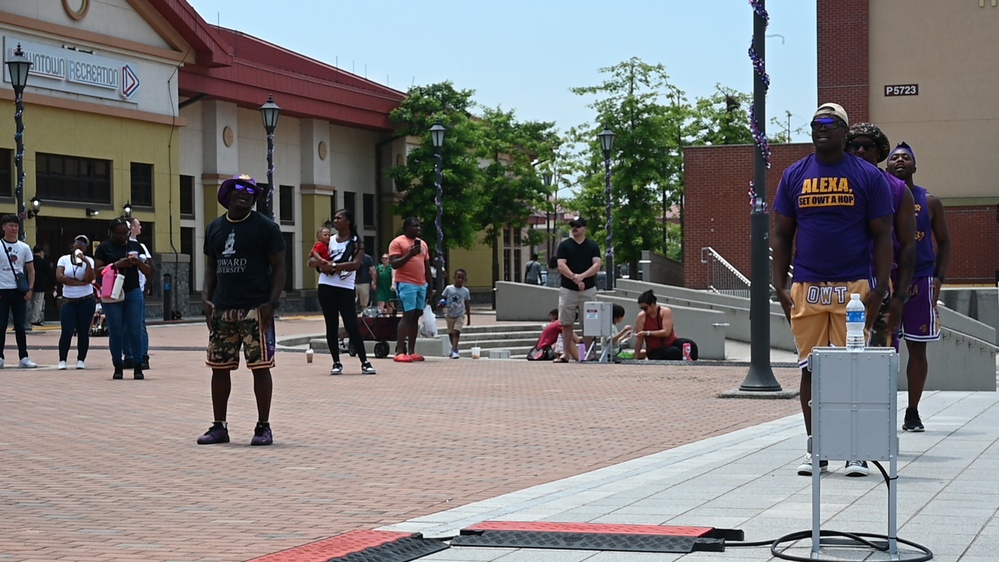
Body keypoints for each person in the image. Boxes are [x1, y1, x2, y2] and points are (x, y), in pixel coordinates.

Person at [772, 103, 894, 478]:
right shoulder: (794, 174)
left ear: (843, 130)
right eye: (815, 124)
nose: (820, 128)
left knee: (852, 369)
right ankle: (817, 448)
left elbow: (883, 234)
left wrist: (880, 286)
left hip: (854, 285)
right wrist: (779, 283)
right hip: (807, 285)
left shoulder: (866, 176)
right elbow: (781, 232)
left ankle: (855, 450)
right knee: (812, 368)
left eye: (828, 123)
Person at [197, 174, 286, 446]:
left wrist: (272, 301)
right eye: (239, 189)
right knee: (219, 368)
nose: (245, 193)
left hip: (255, 308)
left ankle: (263, 427)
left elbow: (280, 266)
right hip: (223, 308)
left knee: (260, 367)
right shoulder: (214, 228)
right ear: (227, 194)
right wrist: (205, 297)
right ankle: (219, 426)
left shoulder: (265, 227)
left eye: (250, 190)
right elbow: (212, 267)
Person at [889, 142, 952, 433]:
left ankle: (912, 411)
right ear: (886, 166)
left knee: (917, 349)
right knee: (882, 349)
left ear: (914, 166)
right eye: (895, 158)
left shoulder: (930, 201)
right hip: (888, 279)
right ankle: (882, 409)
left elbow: (945, 242)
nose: (900, 161)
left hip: (920, 280)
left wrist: (939, 277)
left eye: (906, 158)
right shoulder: (880, 196)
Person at [844, 123, 917, 351]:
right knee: (835, 358)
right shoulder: (836, 184)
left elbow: (908, 247)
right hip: (839, 280)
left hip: (879, 282)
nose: (861, 151)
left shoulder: (897, 189)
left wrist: (899, 297)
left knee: (879, 360)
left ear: (880, 151)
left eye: (868, 146)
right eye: (854, 146)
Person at [307, 208, 376, 376]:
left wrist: (335, 266)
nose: (335, 221)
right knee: (331, 325)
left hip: (345, 287)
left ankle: (364, 361)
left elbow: (356, 264)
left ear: (348, 222)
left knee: (351, 324)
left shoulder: (356, 242)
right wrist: (322, 264)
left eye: (339, 218)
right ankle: (336, 362)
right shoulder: (327, 241)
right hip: (326, 286)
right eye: (335, 218)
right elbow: (310, 261)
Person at [94, 217, 152, 380]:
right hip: (113, 291)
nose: (122, 236)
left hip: (133, 290)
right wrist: (117, 264)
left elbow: (148, 269)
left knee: (135, 328)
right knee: (116, 330)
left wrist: (137, 263)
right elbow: (97, 271)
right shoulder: (104, 248)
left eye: (125, 233)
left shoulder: (135, 246)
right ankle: (117, 365)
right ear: (112, 233)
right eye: (118, 233)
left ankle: (138, 365)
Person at [555, 216, 601, 362]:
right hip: (568, 289)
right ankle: (566, 353)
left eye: (578, 225)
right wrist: (575, 278)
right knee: (566, 322)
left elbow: (597, 265)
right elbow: (561, 265)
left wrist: (582, 276)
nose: (575, 228)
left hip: (588, 289)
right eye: (573, 225)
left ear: (585, 228)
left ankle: (587, 354)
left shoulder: (592, 246)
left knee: (589, 322)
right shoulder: (564, 245)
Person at [388, 217, 432, 363]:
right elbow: (394, 264)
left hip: (421, 284)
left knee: (416, 315)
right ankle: (399, 351)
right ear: (406, 228)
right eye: (415, 226)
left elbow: (426, 266)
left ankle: (412, 351)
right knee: (408, 314)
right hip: (406, 283)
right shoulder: (398, 242)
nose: (418, 229)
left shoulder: (423, 244)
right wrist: (410, 254)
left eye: (419, 226)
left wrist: (430, 288)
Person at [0, 214, 37, 368]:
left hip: (19, 291)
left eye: (16, 225)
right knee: (1, 325)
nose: (14, 228)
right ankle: (0, 357)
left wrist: (30, 289)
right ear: (3, 227)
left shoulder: (24, 247)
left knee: (20, 326)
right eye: (10, 225)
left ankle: (24, 357)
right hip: (2, 290)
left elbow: (31, 270)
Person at [55, 235, 96, 370]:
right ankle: (62, 360)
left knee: (83, 331)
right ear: (73, 244)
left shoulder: (89, 260)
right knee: (66, 330)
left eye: (83, 244)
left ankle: (80, 360)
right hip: (68, 300)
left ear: (86, 248)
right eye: (78, 242)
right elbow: (60, 277)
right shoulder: (64, 259)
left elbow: (89, 278)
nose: (80, 245)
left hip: (86, 300)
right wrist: (80, 283)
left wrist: (86, 263)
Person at [121, 217, 151, 370]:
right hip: (120, 289)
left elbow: (148, 267)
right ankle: (128, 356)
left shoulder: (140, 246)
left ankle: (143, 355)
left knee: (138, 324)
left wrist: (146, 288)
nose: (141, 227)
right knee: (125, 325)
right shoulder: (116, 246)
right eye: (138, 225)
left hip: (136, 289)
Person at [633, 290, 695, 360]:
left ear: (653, 304)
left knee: (690, 345)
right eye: (642, 308)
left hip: (670, 342)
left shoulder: (665, 311)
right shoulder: (641, 316)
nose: (644, 310)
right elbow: (639, 340)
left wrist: (647, 333)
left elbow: (666, 332)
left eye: (645, 308)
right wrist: (636, 357)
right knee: (674, 352)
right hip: (655, 349)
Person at [438, 268, 471, 359]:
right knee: (451, 332)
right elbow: (443, 298)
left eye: (462, 278)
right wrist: (441, 303)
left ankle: (453, 350)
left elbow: (467, 304)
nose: (460, 280)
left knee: (456, 331)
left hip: (460, 314)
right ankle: (455, 348)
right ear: (454, 277)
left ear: (465, 280)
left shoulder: (465, 291)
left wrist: (468, 317)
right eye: (458, 277)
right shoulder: (449, 288)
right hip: (450, 313)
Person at [27, 245, 54, 329]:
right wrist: (53, 284)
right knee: (38, 303)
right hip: (40, 285)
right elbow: (49, 274)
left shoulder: (30, 261)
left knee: (31, 303)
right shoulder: (43, 262)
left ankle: (29, 318)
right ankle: (35, 319)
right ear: (41, 252)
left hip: (30, 285)